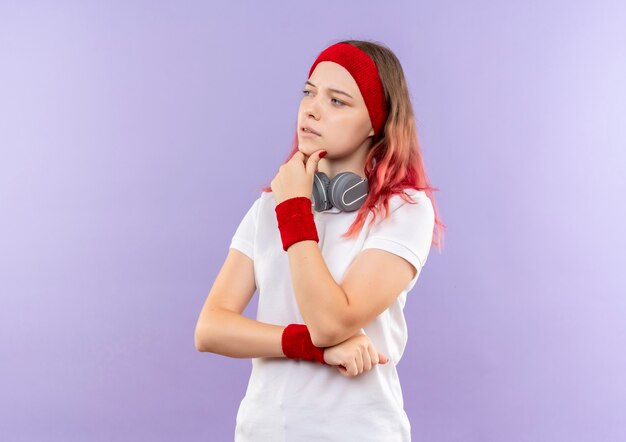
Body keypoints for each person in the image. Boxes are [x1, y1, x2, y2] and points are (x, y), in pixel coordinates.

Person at [195, 39, 446, 441]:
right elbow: (210, 328)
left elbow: (330, 322)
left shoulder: (404, 209)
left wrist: (295, 210)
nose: (311, 109)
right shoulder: (268, 207)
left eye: (337, 101)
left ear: (374, 123)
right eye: (309, 92)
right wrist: (310, 348)